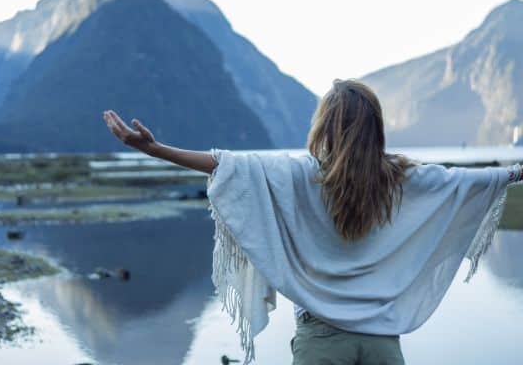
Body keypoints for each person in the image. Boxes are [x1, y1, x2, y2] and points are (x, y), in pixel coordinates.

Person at [102, 78, 523, 365]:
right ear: (375, 129)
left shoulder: (302, 175)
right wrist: (516, 171)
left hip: (321, 342)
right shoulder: (402, 179)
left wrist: (158, 150)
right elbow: (466, 181)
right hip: (382, 345)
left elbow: (226, 165)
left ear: (325, 127)